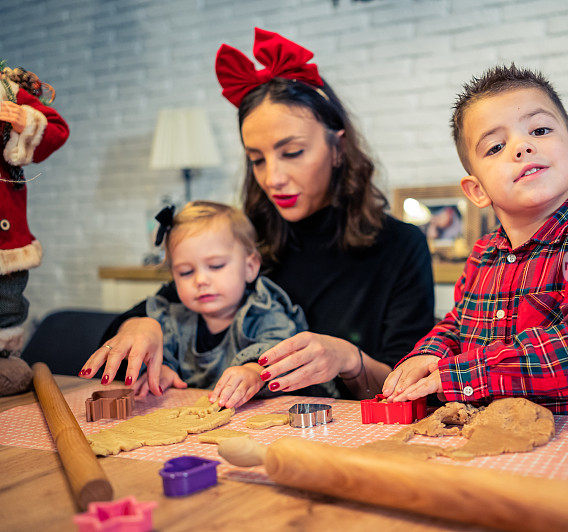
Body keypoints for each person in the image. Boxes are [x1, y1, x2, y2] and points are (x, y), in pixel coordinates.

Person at [79, 28, 435, 403]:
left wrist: (348, 359)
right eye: (256, 160)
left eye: (292, 152)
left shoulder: (400, 247)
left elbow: (412, 389)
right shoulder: (247, 238)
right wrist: (142, 326)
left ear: (338, 148)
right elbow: (155, 312)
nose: (272, 178)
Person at [383, 65, 568, 418]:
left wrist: (461, 374)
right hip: (491, 442)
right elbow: (457, 324)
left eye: (539, 130)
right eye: (495, 147)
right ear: (477, 190)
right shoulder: (482, 255)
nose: (522, 147)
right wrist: (428, 353)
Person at [134, 200, 336, 408]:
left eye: (216, 266)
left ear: (250, 267)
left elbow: (281, 349)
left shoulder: (263, 312)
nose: (200, 280)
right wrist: (162, 370)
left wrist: (253, 371)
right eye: (186, 272)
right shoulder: (173, 320)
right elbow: (157, 351)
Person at [0, 27, 69, 397]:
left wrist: (24, 121)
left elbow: (57, 129)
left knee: (5, 293)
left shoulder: (2, 89)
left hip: (2, 224)